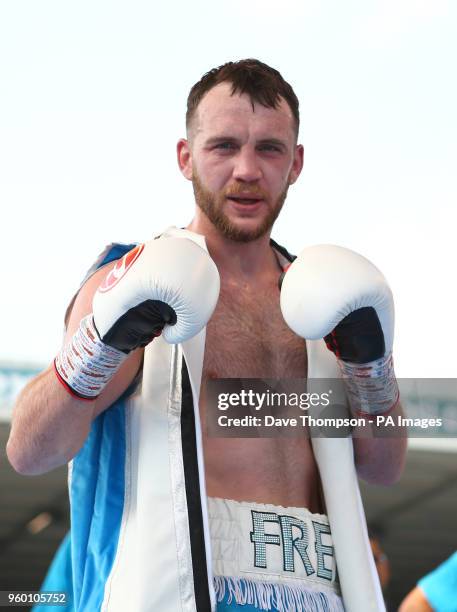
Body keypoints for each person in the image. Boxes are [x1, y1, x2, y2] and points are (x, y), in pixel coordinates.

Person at [7, 59, 407, 611]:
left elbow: (383, 467)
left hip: (324, 594)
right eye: (223, 146)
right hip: (190, 591)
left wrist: (372, 367)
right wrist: (99, 343)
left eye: (269, 148)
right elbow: (29, 450)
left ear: (296, 163)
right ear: (185, 157)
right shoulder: (133, 279)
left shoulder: (325, 305)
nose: (246, 169)